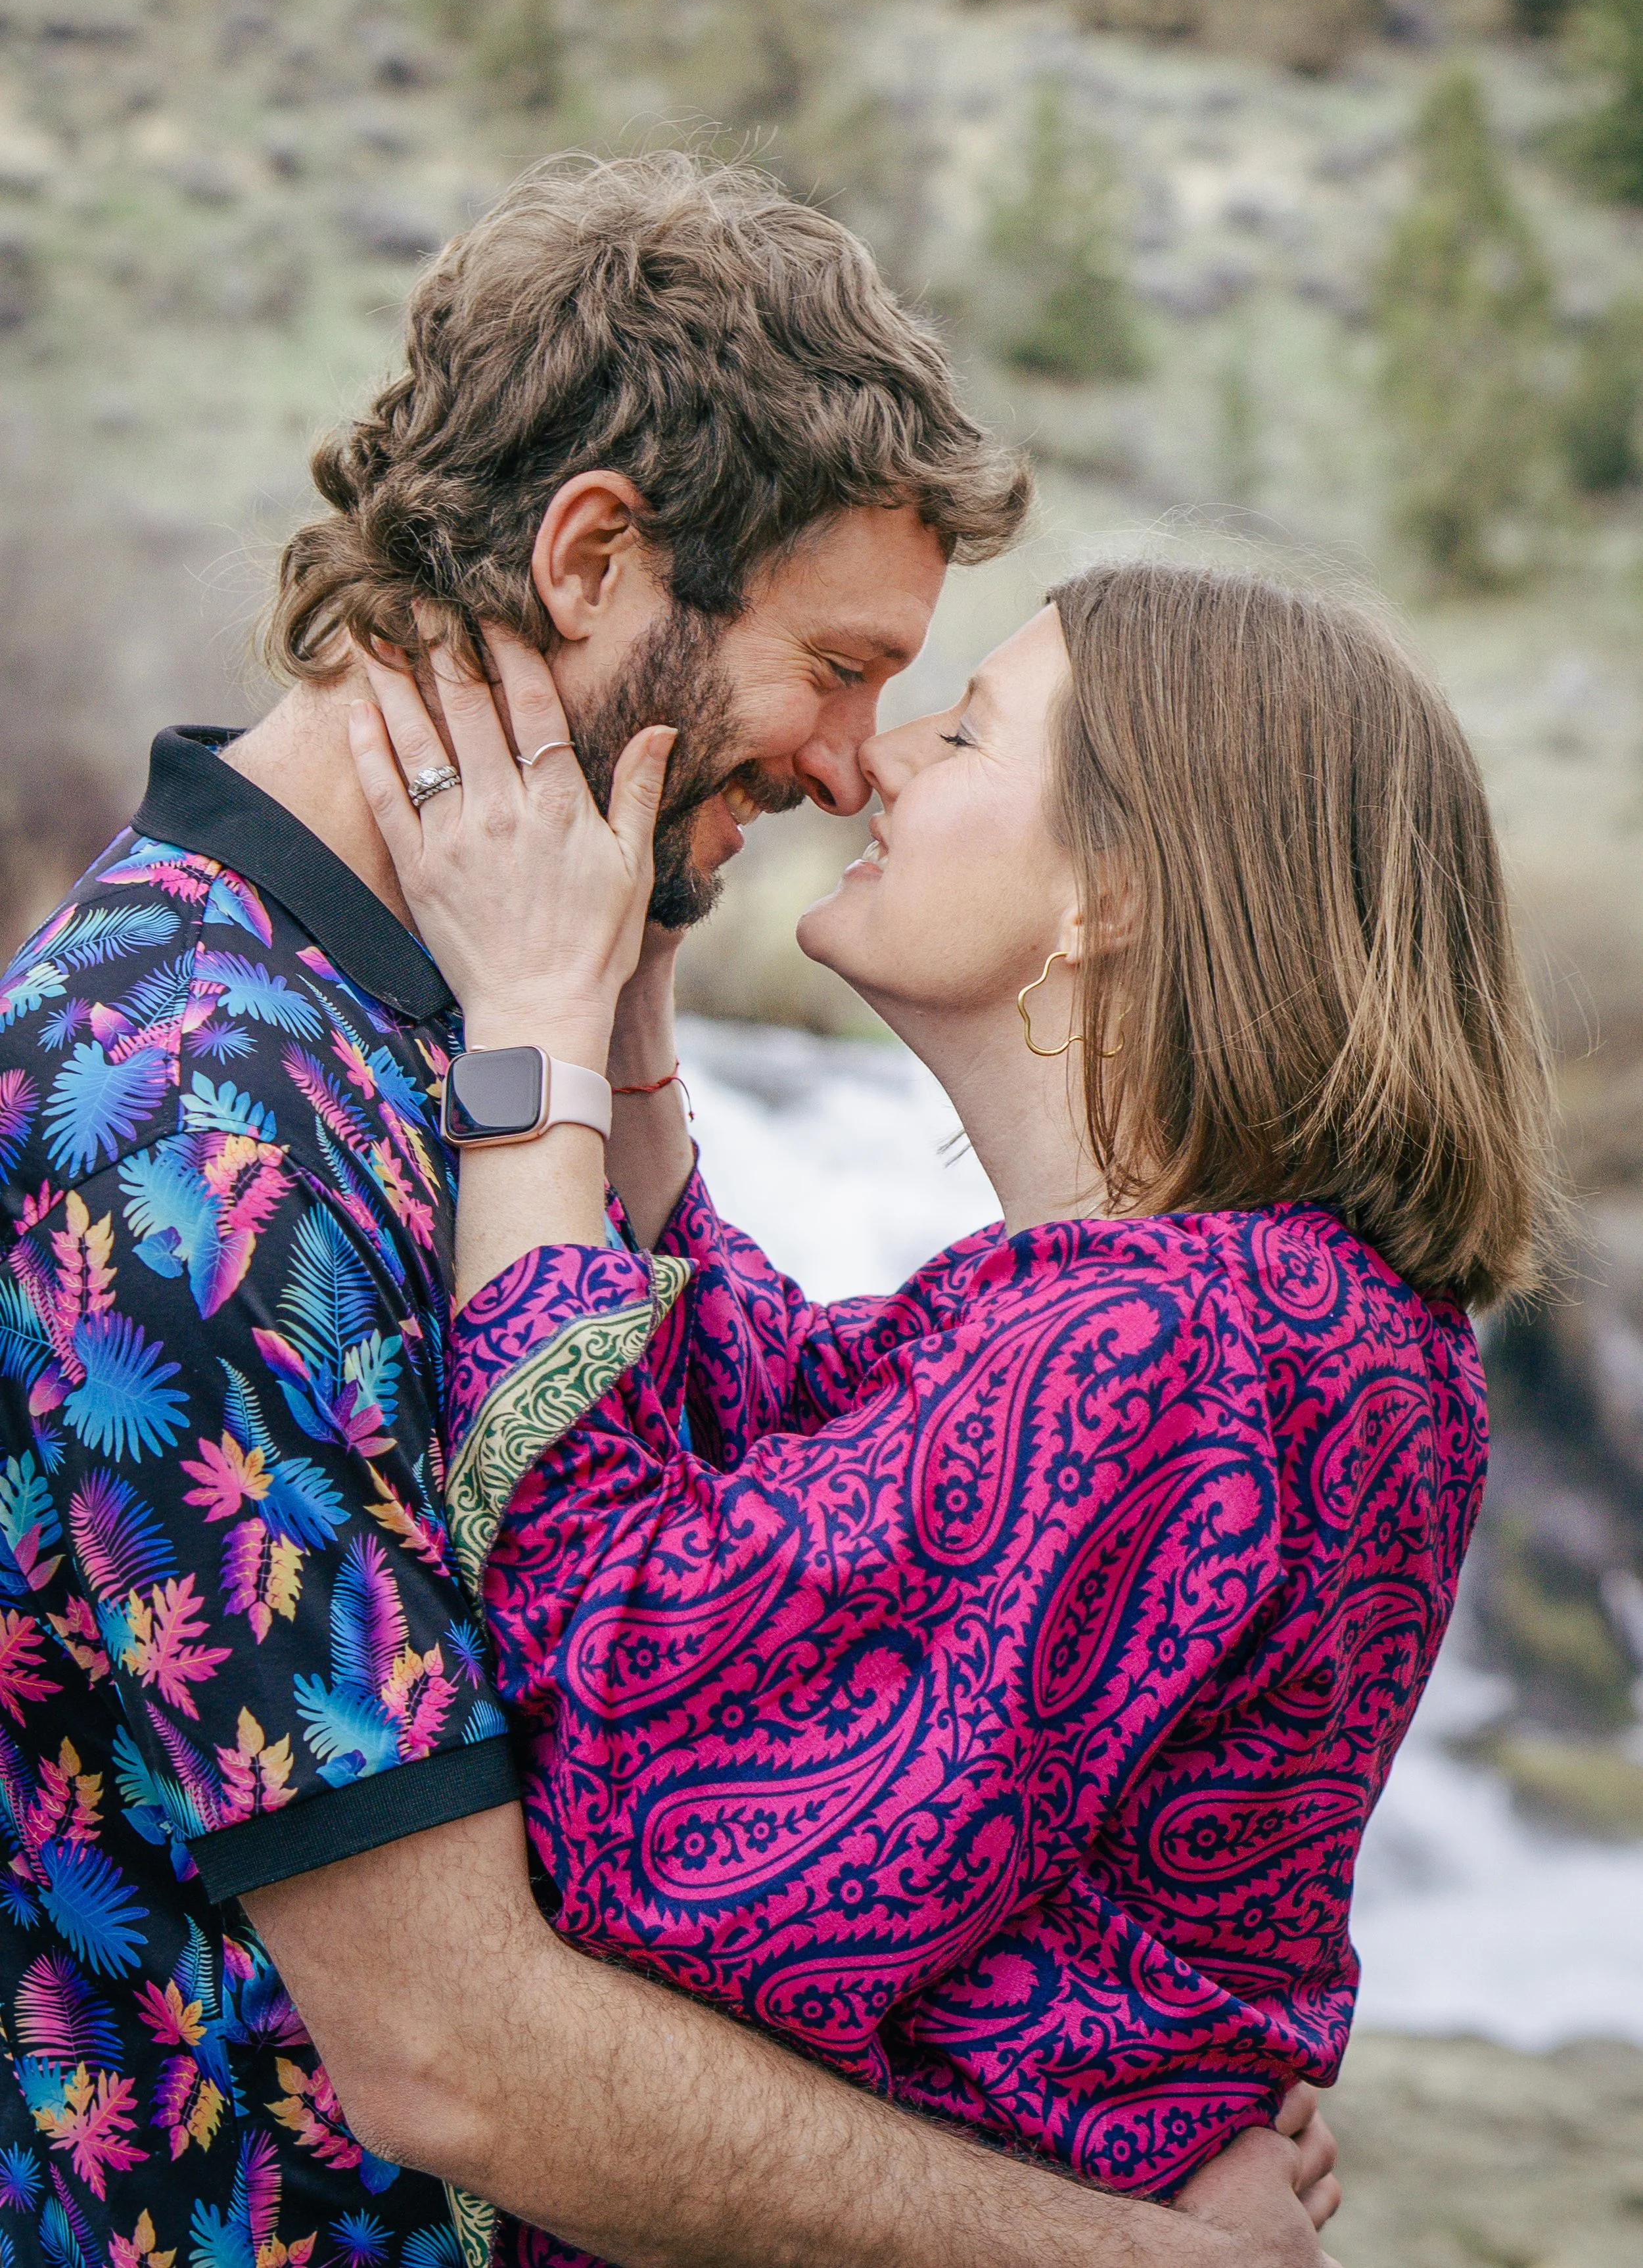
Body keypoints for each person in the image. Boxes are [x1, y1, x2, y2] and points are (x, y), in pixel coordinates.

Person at [0, 158, 1337, 2268]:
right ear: (596, 554)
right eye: (836, 663)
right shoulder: (185, 1110)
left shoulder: (445, 1028)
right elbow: (456, 2049)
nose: (850, 765)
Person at [346, 559, 1560, 2267]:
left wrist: (523, 1040)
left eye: (972, 728)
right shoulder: (1276, 1304)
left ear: (1115, 889)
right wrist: (625, 1030)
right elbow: (786, 1437)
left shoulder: (1157, 1341)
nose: (887, 758)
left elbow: (634, 1733)